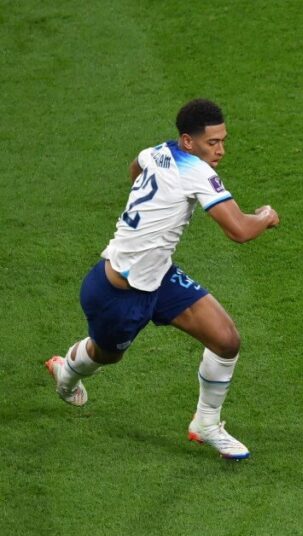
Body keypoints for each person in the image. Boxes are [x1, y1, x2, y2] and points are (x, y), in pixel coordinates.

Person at [45, 99, 280, 459]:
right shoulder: (196, 171)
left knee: (226, 340)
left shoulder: (158, 151)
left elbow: (136, 167)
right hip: (118, 296)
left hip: (159, 276)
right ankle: (68, 371)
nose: (220, 150)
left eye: (223, 141)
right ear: (188, 141)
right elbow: (239, 231)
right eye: (212, 143)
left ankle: (206, 423)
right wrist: (265, 216)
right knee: (105, 355)